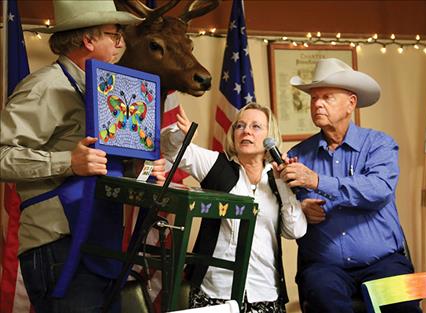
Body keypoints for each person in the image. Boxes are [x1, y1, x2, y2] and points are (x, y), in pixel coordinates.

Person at [0, 1, 165, 312]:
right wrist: (68, 162)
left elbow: (105, 168)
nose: (121, 43)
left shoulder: (106, 92)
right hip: (59, 246)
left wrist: (144, 171)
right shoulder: (46, 86)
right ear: (88, 40)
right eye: (115, 35)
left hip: (101, 243)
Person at [281, 58, 421, 313]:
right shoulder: (297, 155)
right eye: (314, 98)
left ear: (351, 103)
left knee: (402, 306)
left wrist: (317, 181)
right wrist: (301, 209)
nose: (317, 104)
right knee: (323, 297)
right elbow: (286, 209)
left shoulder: (380, 144)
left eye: (327, 97)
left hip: (383, 261)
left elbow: (378, 190)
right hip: (324, 267)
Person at [158, 103, 307, 313]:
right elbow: (169, 149)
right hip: (215, 291)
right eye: (240, 126)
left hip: (265, 291)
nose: (246, 131)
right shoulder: (215, 165)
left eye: (256, 127)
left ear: (269, 136)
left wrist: (283, 183)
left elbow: (295, 231)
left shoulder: (278, 179)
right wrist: (181, 134)